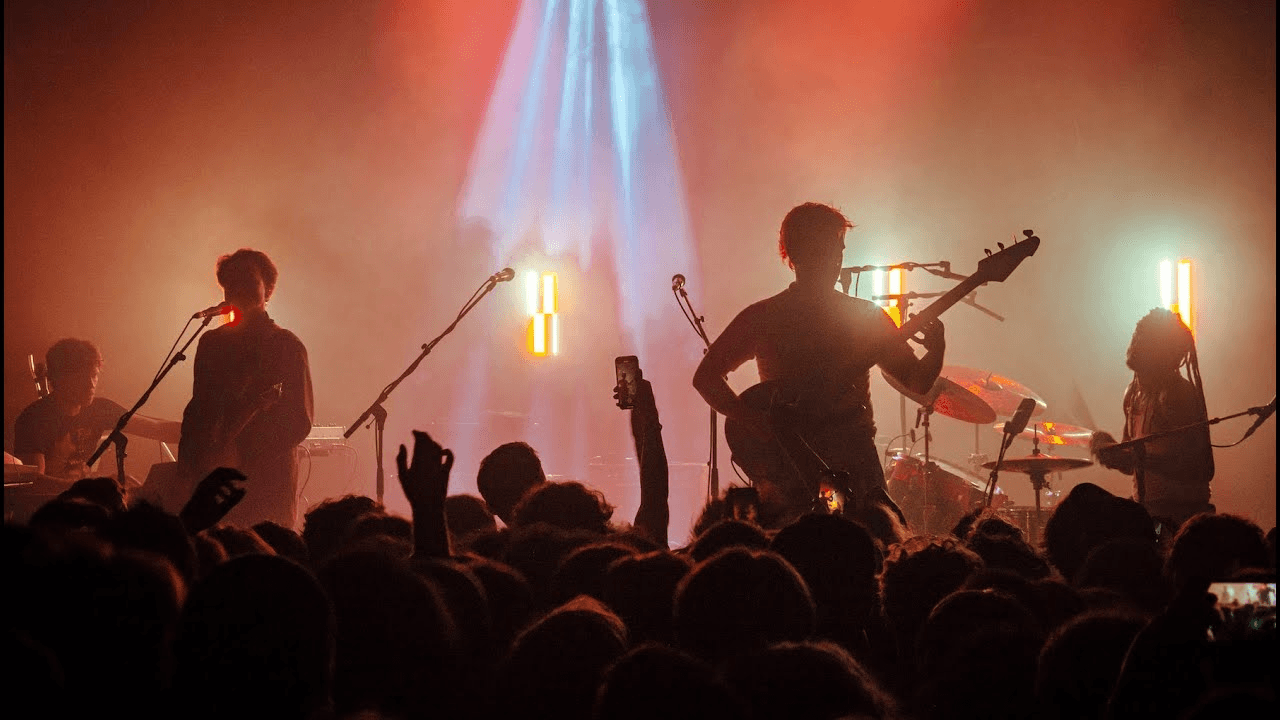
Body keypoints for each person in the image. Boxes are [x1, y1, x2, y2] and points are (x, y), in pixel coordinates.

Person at [692, 202, 945, 528]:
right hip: (814, 467)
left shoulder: (767, 316)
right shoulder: (852, 317)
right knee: (875, 543)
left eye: (837, 248)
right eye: (827, 247)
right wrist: (749, 418)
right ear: (795, 253)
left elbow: (918, 381)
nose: (836, 257)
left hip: (821, 466)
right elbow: (919, 381)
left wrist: (936, 350)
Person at [178, 249, 313, 528]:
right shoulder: (210, 344)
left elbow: (298, 421)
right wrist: (190, 466)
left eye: (248, 281)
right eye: (232, 281)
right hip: (214, 483)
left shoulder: (286, 346)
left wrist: (243, 453)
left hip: (267, 485)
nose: (239, 288)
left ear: (269, 289)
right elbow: (198, 409)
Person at [1091, 308, 1214, 530]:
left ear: (1167, 358)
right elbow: (1131, 465)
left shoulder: (1179, 394)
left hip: (1183, 515)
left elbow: (1197, 468)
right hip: (1148, 510)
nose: (1140, 376)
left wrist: (1131, 458)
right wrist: (1112, 451)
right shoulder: (1132, 392)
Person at [13, 338, 181, 482]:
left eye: (94, 376)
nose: (91, 384)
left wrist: (203, 427)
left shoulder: (100, 409)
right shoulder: (33, 419)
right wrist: (96, 487)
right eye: (81, 378)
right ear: (59, 378)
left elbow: (157, 429)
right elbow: (35, 483)